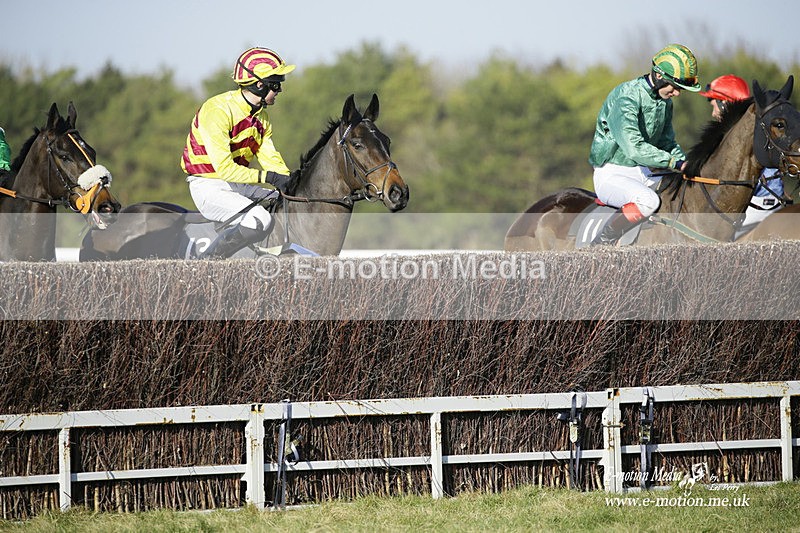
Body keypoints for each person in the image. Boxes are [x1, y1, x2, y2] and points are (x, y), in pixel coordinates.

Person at [181, 47, 297, 259]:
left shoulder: (261, 118)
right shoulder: (217, 110)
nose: (280, 90)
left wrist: (291, 180)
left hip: (236, 185)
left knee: (286, 202)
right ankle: (207, 262)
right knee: (260, 219)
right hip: (207, 186)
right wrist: (269, 177)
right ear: (260, 85)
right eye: (276, 84)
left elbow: (270, 158)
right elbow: (225, 169)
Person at [588, 43, 701, 245]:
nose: (677, 93)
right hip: (611, 173)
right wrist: (674, 163)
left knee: (684, 190)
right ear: (659, 76)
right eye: (675, 87)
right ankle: (602, 244)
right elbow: (634, 148)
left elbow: (668, 143)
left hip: (643, 172)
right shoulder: (627, 96)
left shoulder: (665, 101)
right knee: (648, 202)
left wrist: (687, 162)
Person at [699, 74, 785, 233]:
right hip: (765, 200)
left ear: (725, 103)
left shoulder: (741, 133)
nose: (713, 113)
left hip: (757, 204)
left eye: (714, 106)